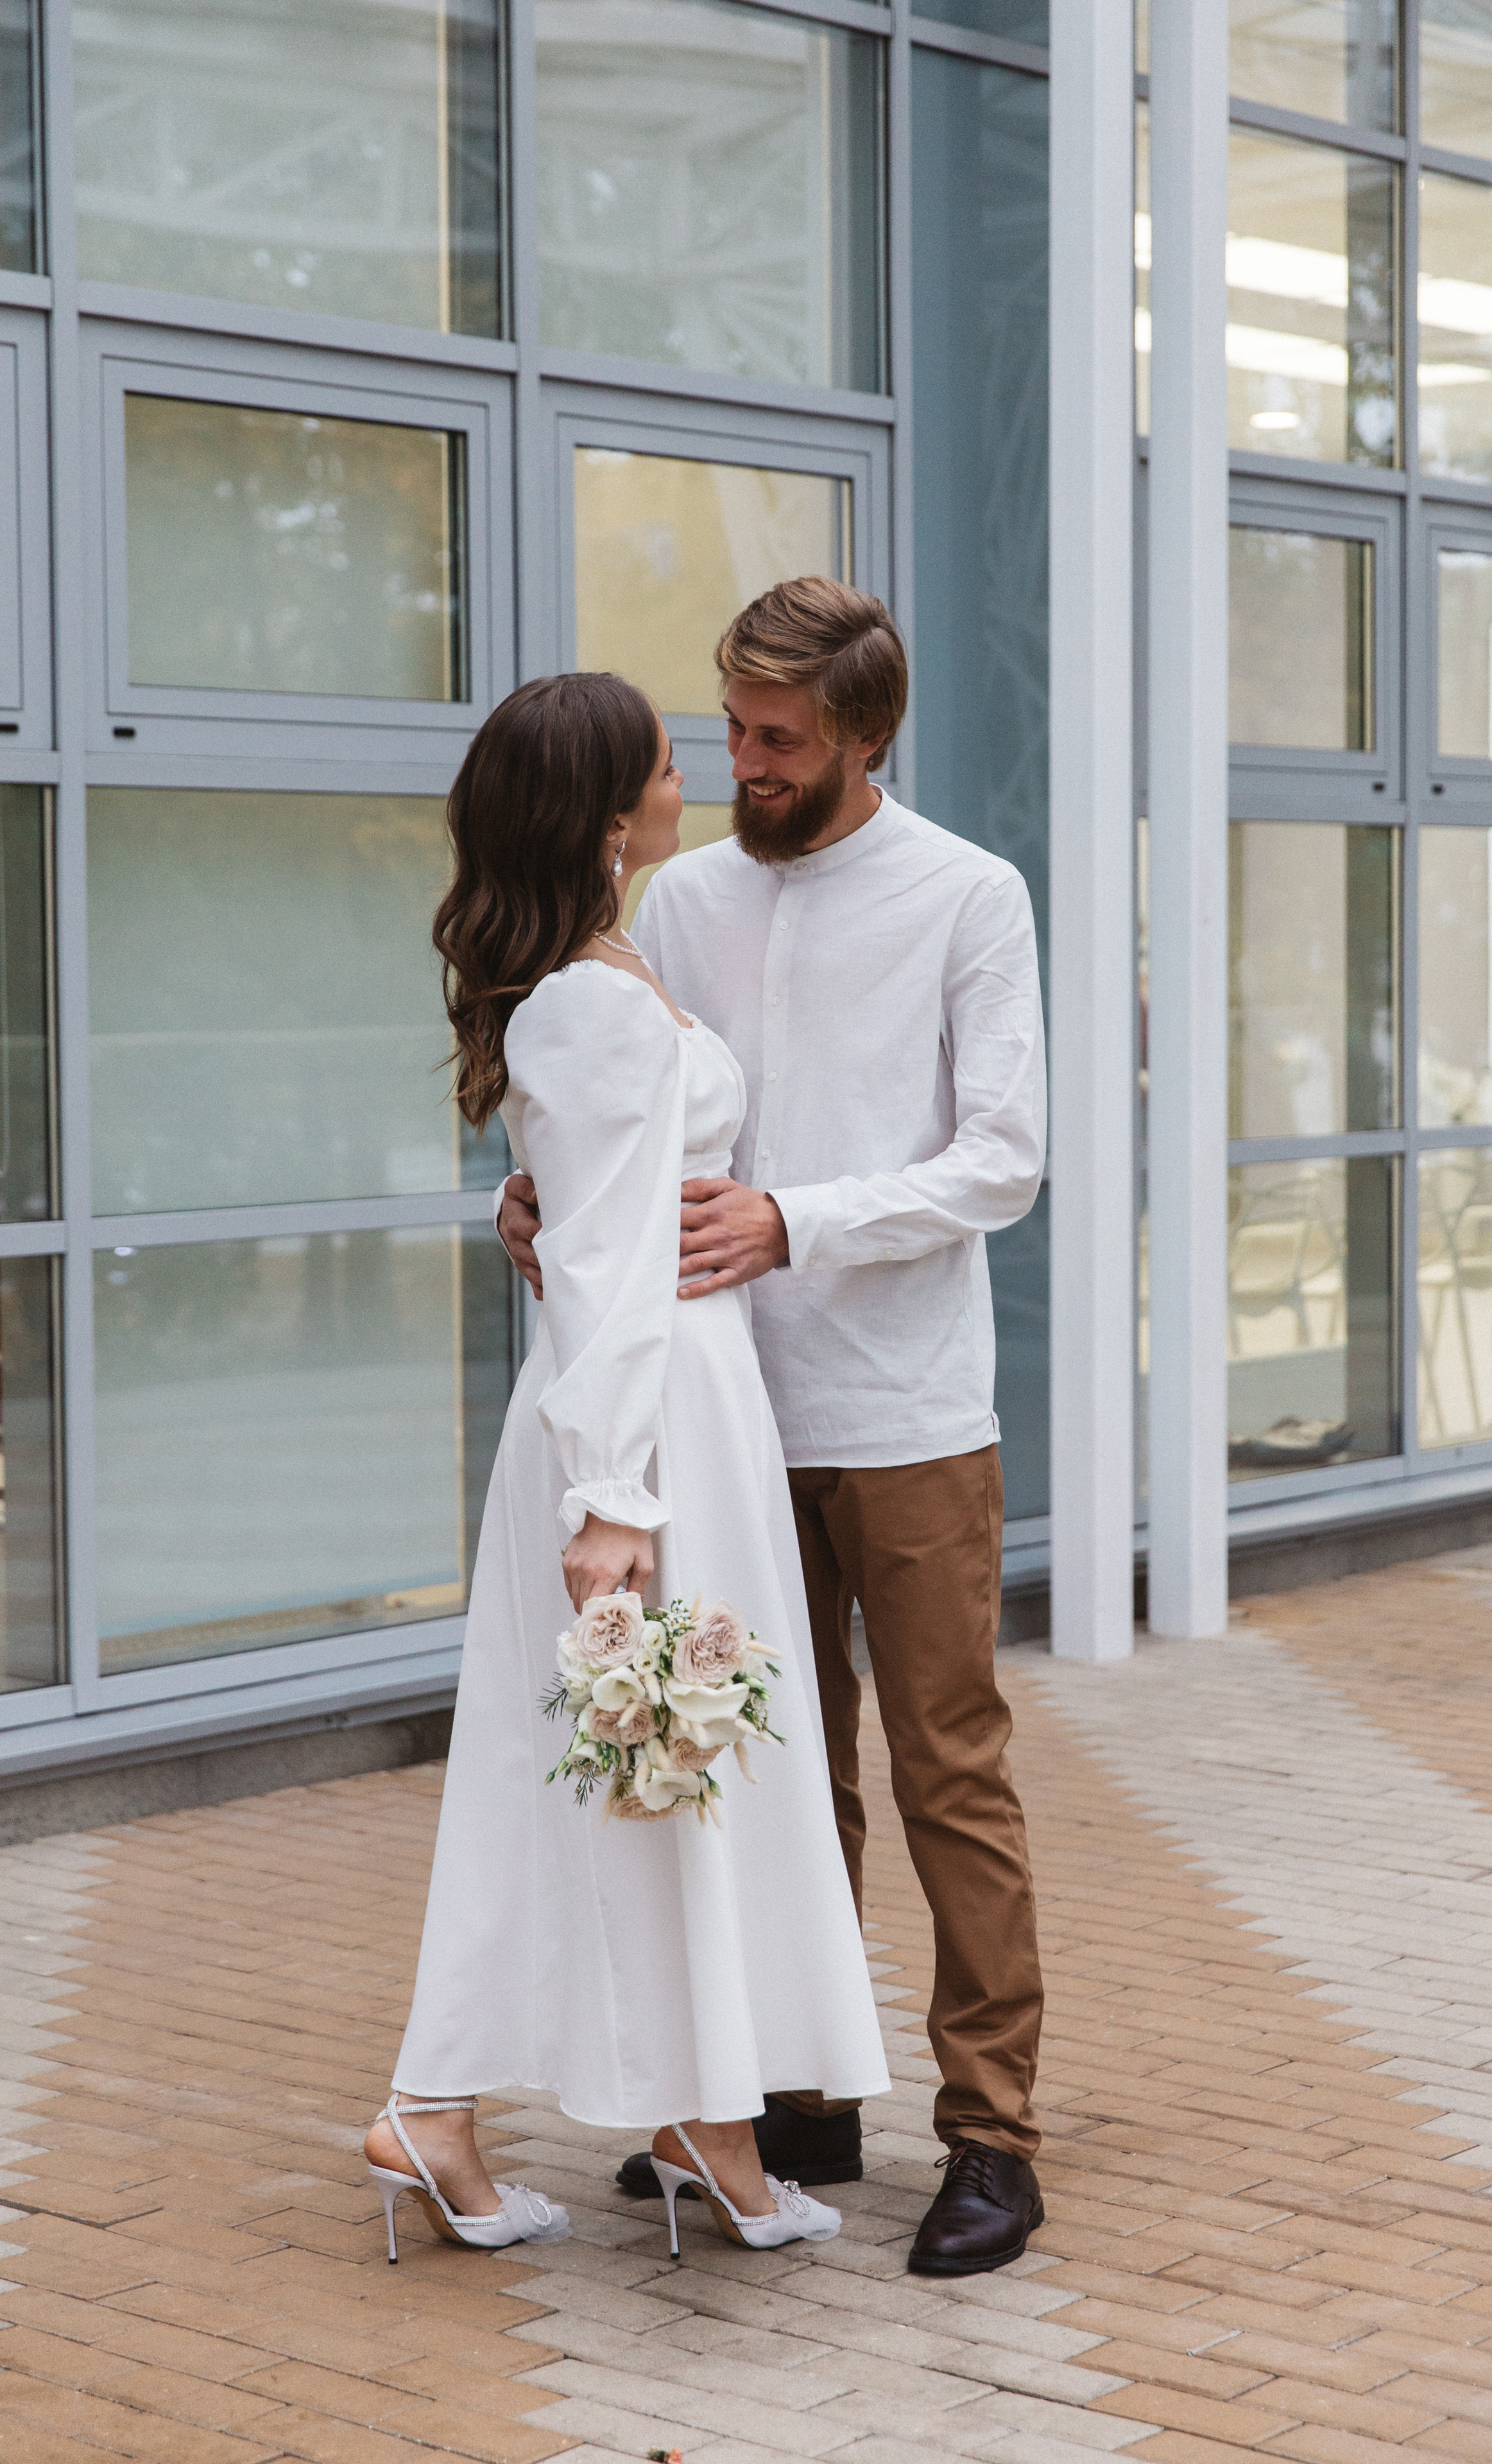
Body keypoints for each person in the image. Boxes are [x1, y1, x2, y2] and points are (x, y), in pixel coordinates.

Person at [497, 581, 1048, 2276]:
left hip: (902, 1411)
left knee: (944, 1774)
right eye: (730, 727)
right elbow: (622, 1119)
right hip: (710, 1426)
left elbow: (1004, 1156)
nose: (743, 760)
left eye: (780, 738)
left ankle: (992, 2137)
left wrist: (793, 1220)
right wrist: (543, 1208)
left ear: (870, 735)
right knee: (745, 1771)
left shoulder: (968, 893)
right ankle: (789, 2101)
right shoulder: (682, 901)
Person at [364, 670, 889, 2264]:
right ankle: (662, 2125)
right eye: (669, 765)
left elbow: (582, 1216)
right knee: (643, 1774)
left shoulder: (605, 969)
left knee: (637, 1777)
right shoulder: (593, 1001)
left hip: (675, 1414)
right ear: (607, 817)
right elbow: (599, 1265)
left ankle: (604, 2114)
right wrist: (612, 1502)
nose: (697, 780)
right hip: (643, 1434)